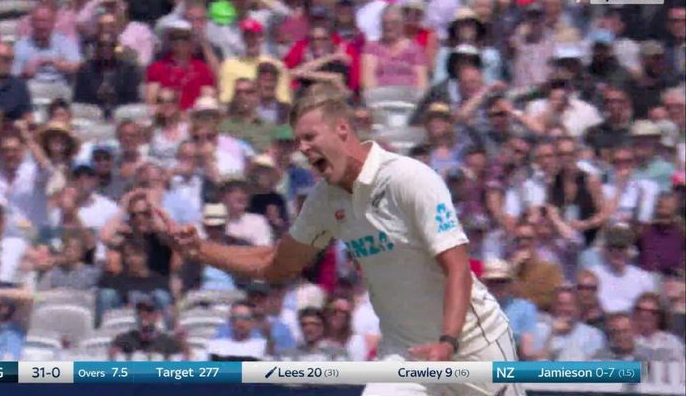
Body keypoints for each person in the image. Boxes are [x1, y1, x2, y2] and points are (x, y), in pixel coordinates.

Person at [175, 83, 522, 396]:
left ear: (342, 128)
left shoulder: (408, 178)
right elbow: (276, 263)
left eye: (310, 137)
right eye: (298, 142)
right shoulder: (324, 199)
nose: (304, 149)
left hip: (473, 343)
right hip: (406, 352)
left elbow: (458, 269)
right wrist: (199, 249)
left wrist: (447, 343)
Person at [480, 260, 538, 359]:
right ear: (485, 284)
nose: (497, 286)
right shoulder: (476, 308)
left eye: (502, 281)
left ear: (510, 283)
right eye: (492, 282)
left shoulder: (525, 308)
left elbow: (527, 350)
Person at [533, 286, 606, 361]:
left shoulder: (593, 334)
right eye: (560, 304)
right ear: (553, 307)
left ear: (578, 307)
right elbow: (535, 362)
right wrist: (552, 333)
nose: (565, 309)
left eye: (570, 304)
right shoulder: (539, 330)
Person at [109, 297, 187, 360]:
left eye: (149, 311)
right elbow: (111, 360)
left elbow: (187, 361)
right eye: (139, 312)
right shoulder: (125, 338)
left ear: (157, 316)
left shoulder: (167, 340)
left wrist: (181, 341)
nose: (143, 314)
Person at [279, 307, 348, 361]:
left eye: (314, 324)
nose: (309, 329)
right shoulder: (290, 355)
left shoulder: (337, 353)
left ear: (322, 327)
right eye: (305, 324)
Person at [632, 292, 685, 362]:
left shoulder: (671, 343)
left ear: (661, 316)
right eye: (640, 310)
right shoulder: (623, 337)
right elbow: (614, 369)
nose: (644, 315)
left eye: (652, 312)